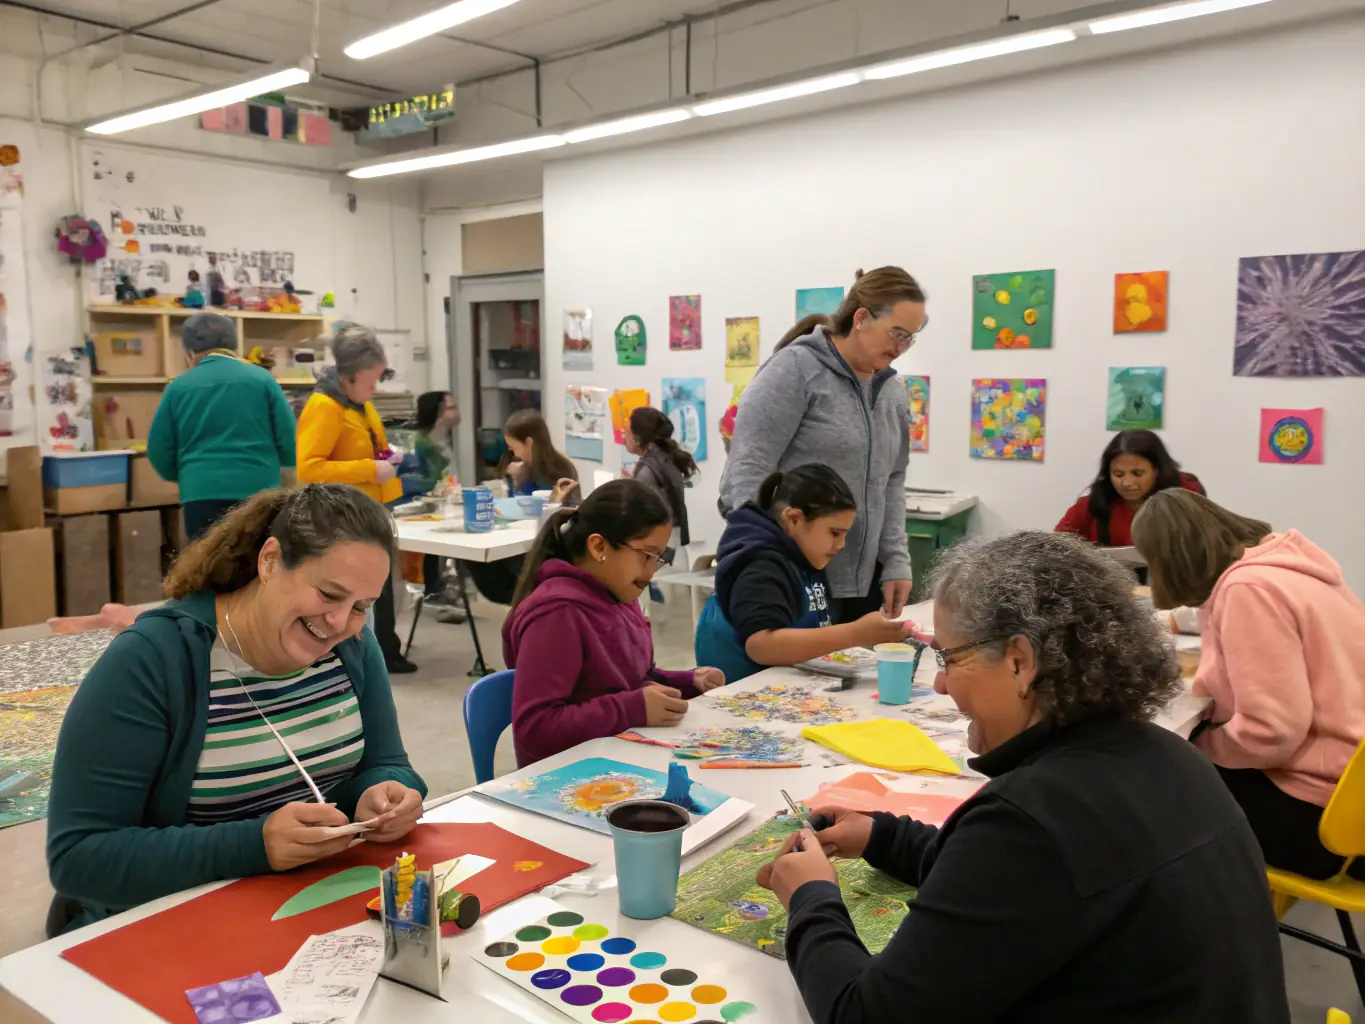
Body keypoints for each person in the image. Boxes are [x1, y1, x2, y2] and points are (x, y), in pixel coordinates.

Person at [755, 531, 1290, 1023]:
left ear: (1019, 661)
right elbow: (1009, 890)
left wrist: (812, 898)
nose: (939, 684)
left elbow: (864, 1016)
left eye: (947, 657)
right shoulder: (1169, 756)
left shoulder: (1034, 818)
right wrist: (883, 836)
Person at [46, 485, 427, 935]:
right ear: (269, 561)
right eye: (328, 594)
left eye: (361, 607)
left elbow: (386, 763)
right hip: (168, 929)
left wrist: (387, 794)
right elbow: (79, 857)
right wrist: (254, 845)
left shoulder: (353, 648)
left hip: (301, 911)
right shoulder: (153, 661)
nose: (341, 623)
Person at [1134, 489, 1365, 880]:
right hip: (1350, 793)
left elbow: (1271, 731)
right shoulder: (1287, 567)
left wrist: (1198, 747)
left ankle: (1189, 925)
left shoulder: (1248, 591)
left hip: (1326, 822)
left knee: (1151, 786)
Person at [720, 267, 926, 623]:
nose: (901, 347)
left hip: (866, 579)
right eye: (896, 333)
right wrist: (763, 560)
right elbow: (746, 472)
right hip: (794, 574)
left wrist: (896, 560)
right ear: (861, 318)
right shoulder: (796, 369)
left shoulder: (892, 391)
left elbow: (892, 481)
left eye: (910, 338)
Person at [502, 480, 726, 766]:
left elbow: (629, 679)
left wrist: (688, 682)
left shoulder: (617, 592)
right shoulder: (557, 613)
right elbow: (535, 730)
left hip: (617, 757)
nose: (651, 571)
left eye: (658, 558)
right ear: (598, 546)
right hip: (565, 777)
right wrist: (632, 708)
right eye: (646, 555)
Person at [697, 466, 912, 684]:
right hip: (741, 688)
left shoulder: (805, 552)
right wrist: (855, 634)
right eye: (835, 533)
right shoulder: (760, 564)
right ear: (794, 519)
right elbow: (760, 646)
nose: (841, 544)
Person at [295, 324, 413, 673]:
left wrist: (389, 457)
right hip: (345, 519)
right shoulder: (325, 406)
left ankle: (384, 652)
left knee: (381, 591)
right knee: (358, 595)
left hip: (374, 510)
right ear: (347, 377)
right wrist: (368, 469)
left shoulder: (359, 404)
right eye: (370, 381)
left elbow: (370, 445)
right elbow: (310, 468)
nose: (374, 389)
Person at [146, 311, 296, 540]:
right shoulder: (263, 379)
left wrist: (189, 474)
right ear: (234, 346)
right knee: (261, 566)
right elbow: (289, 440)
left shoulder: (178, 387)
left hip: (201, 492)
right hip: (260, 491)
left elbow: (158, 449)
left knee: (207, 567)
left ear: (189, 353)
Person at [1055, 429, 1204, 546]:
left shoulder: (1186, 495)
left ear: (1157, 470)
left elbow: (1204, 546)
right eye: (1118, 474)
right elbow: (1057, 545)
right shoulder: (1092, 504)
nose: (1127, 483)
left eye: (1138, 473)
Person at [407, 391, 464, 618]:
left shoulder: (443, 438)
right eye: (450, 408)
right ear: (437, 413)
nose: (456, 412)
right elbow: (430, 480)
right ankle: (433, 589)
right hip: (428, 504)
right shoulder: (423, 444)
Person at [625, 406, 697, 548]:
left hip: (660, 551)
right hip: (673, 547)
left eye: (627, 433)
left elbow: (650, 516)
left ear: (637, 439)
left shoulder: (648, 470)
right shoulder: (666, 459)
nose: (623, 437)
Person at [504, 409, 579, 505]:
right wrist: (512, 482)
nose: (511, 452)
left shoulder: (562, 471)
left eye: (512, 447)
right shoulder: (521, 471)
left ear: (528, 442)